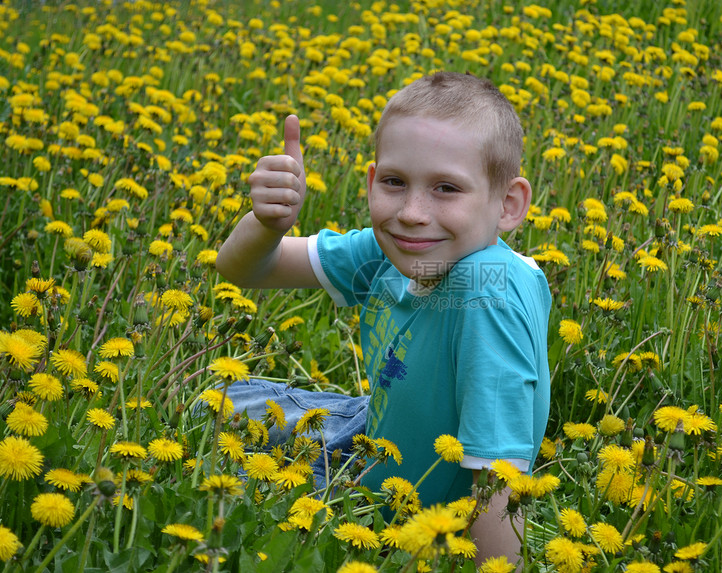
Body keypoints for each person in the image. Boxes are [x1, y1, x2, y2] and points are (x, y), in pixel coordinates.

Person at [216, 71, 551, 566]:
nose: (413, 212)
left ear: (508, 205)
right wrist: (266, 225)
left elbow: (497, 479)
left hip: (411, 513)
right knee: (219, 403)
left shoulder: (489, 292)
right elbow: (245, 269)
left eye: (446, 188)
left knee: (228, 485)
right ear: (373, 182)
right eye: (395, 182)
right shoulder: (394, 250)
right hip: (371, 434)